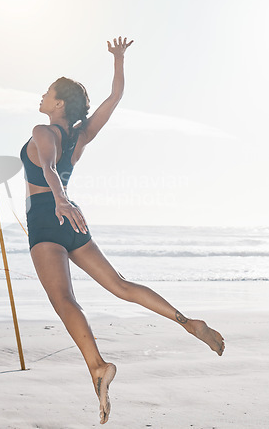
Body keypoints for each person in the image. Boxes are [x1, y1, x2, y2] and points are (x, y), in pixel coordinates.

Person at [20, 37, 225, 425]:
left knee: (64, 300)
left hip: (49, 218)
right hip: (73, 220)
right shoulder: (80, 136)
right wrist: (118, 60)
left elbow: (47, 167)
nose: (42, 98)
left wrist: (60, 199)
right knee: (122, 285)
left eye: (47, 94)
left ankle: (97, 366)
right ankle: (187, 321)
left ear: (59, 104)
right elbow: (114, 97)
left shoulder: (43, 131)